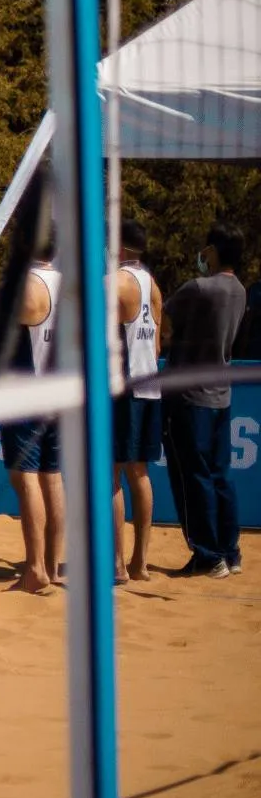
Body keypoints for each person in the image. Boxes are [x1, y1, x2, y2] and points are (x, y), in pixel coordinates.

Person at [162, 223, 246, 578]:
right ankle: (230, 550)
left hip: (190, 394)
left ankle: (208, 554)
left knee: (193, 477)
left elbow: (164, 326)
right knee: (219, 475)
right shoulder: (240, 290)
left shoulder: (197, 288)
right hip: (220, 392)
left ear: (212, 251)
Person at [0, 235, 63, 594]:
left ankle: (36, 568)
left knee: (26, 480)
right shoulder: (69, 283)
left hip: (27, 392)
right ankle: (51, 563)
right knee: (52, 478)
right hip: (58, 391)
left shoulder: (25, 286)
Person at [112, 219, 162, 583]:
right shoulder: (153, 285)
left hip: (123, 388)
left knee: (112, 473)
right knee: (140, 472)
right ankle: (140, 563)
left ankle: (117, 565)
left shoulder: (117, 283)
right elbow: (157, 344)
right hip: (150, 384)